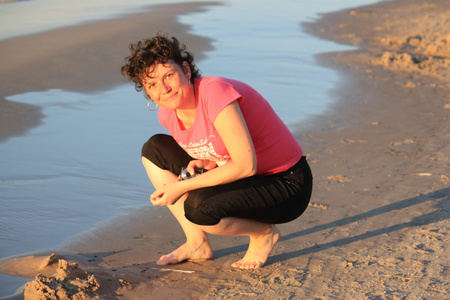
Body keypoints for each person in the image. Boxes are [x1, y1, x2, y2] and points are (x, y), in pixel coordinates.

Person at [120, 33, 313, 269]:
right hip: (249, 178)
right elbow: (220, 144)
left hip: (286, 183)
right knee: (154, 149)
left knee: (199, 209)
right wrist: (209, 160)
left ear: (186, 70)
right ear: (147, 92)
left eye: (168, 75)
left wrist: (180, 186)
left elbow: (245, 165)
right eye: (152, 85)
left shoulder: (215, 93)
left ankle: (263, 234)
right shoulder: (166, 114)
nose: (164, 89)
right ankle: (197, 243)